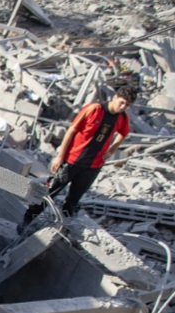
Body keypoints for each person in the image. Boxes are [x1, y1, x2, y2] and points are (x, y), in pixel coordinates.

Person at [22, 86, 136, 226]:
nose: (123, 106)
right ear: (114, 98)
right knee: (49, 192)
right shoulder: (94, 109)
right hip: (72, 160)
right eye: (122, 102)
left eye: (127, 105)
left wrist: (112, 149)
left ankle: (62, 226)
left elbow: (124, 133)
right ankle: (27, 220)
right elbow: (71, 131)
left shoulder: (122, 117)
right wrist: (60, 157)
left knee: (74, 199)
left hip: (93, 165)